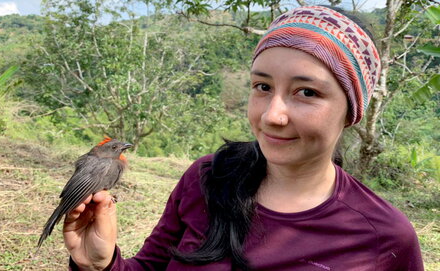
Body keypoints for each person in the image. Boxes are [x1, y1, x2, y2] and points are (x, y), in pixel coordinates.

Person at [64, 6, 424, 271]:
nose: (272, 115)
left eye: (307, 93)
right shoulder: (206, 178)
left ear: (351, 111)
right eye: (263, 86)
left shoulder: (385, 238)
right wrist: (101, 266)